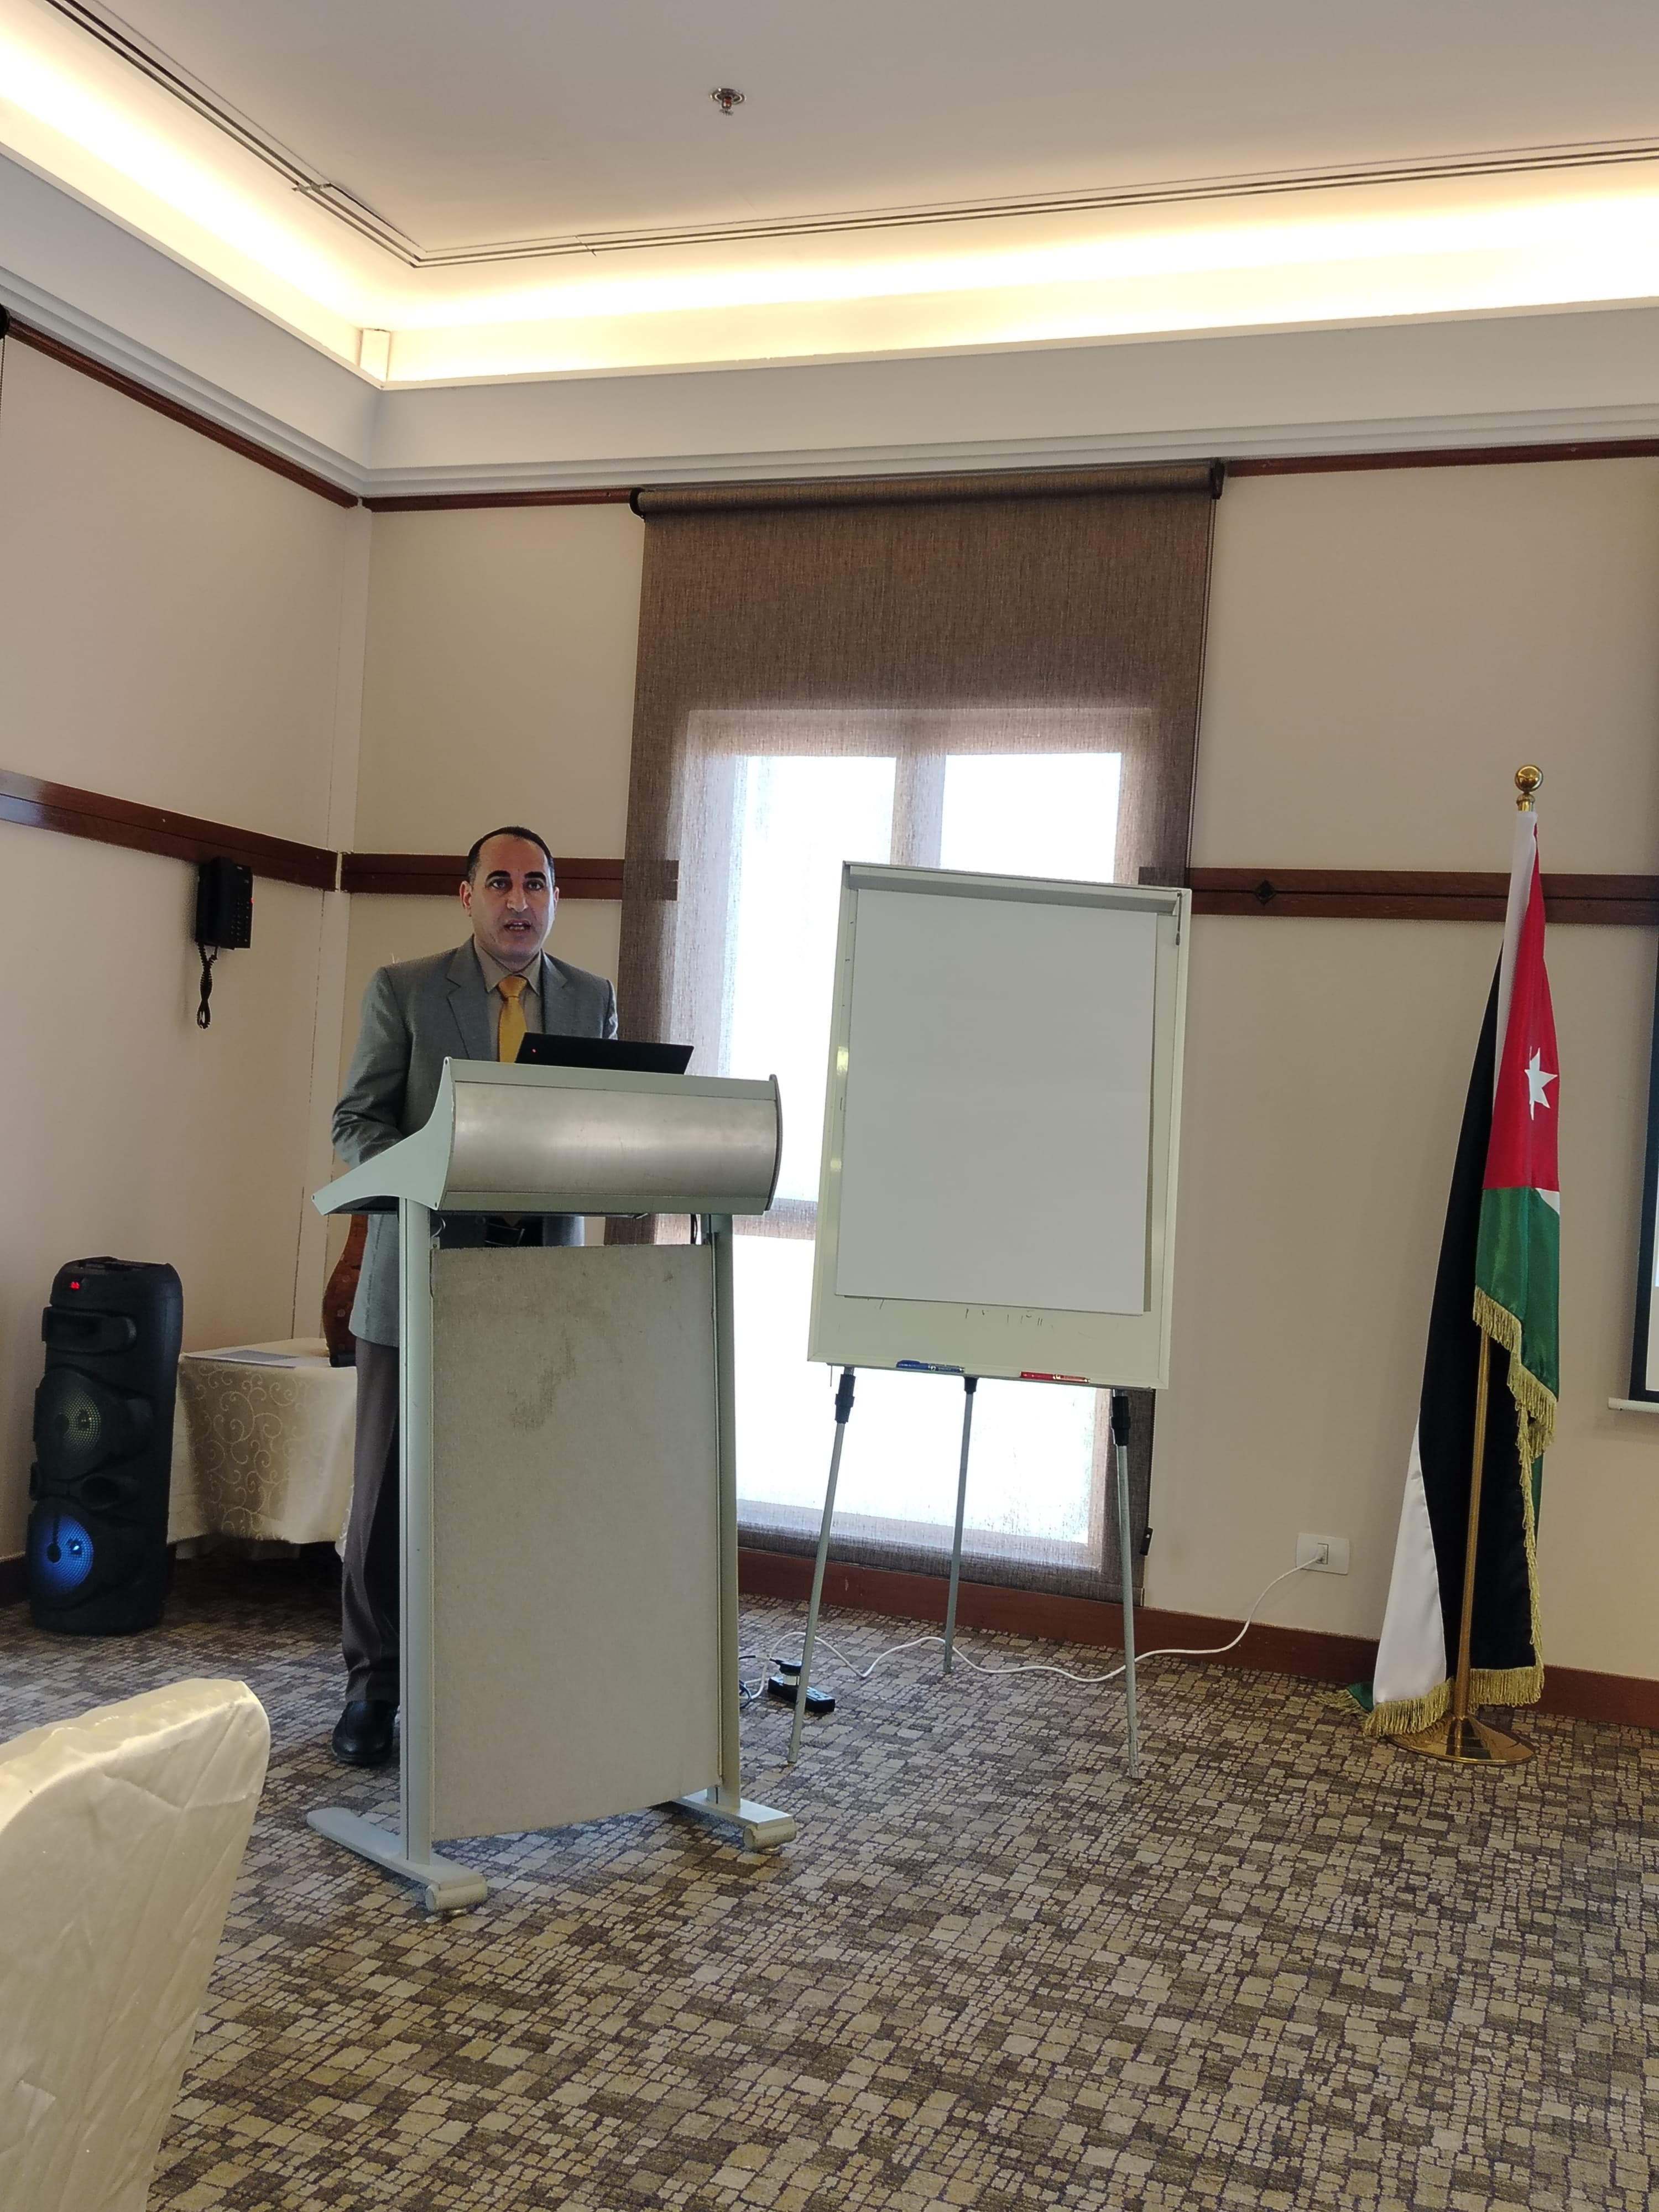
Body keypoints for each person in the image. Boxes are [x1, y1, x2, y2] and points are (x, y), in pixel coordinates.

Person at [328, 826, 617, 1765]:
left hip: (535, 1293)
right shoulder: (405, 990)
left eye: (536, 884)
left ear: (556, 897)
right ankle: (375, 1687)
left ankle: (499, 1675)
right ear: (467, 896)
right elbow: (357, 1122)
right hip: (417, 1279)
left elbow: (599, 1126)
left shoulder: (592, 999)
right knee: (387, 1500)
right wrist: (429, 1174)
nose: (519, 902)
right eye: (500, 883)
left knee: (517, 1494)